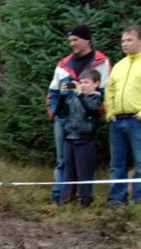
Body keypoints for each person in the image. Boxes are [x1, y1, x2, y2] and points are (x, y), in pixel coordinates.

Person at [46, 24, 111, 204]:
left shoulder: (101, 62)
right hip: (63, 118)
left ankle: (83, 199)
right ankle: (58, 198)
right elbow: (53, 91)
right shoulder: (63, 64)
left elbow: (105, 92)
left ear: (86, 40)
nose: (72, 44)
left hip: (84, 121)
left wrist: (96, 113)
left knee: (82, 165)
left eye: (76, 40)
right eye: (70, 40)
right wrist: (54, 112)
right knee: (62, 161)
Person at [55, 69, 103, 207]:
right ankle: (66, 201)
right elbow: (61, 111)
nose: (82, 85)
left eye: (86, 82)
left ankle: (85, 201)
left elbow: (91, 110)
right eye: (80, 82)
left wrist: (80, 94)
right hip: (70, 138)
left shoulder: (95, 97)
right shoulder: (75, 98)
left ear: (96, 84)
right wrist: (63, 96)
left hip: (85, 139)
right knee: (69, 171)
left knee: (84, 172)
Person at [106, 25, 141, 206]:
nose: (125, 44)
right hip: (117, 121)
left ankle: (138, 200)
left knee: (140, 162)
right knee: (117, 164)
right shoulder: (119, 66)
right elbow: (109, 90)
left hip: (137, 121)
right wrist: (110, 111)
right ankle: (116, 200)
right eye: (123, 41)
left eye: (129, 40)